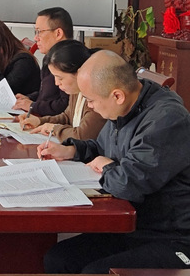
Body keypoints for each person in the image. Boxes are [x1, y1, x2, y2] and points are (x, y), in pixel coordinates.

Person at [39, 50, 190, 274]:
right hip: (136, 226)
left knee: (96, 271)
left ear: (117, 95)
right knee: (58, 258)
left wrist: (107, 167)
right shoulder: (125, 107)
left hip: (172, 237)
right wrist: (71, 150)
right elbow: (102, 148)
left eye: (91, 100)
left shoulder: (167, 119)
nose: (90, 106)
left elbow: (129, 183)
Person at [19, 40, 106, 142]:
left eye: (60, 78)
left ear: (79, 72)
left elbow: (81, 136)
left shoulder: (96, 97)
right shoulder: (75, 91)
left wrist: (54, 129)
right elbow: (67, 117)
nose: (56, 83)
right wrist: (40, 121)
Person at [13, 7, 72, 116]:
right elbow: (46, 94)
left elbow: (64, 105)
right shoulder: (49, 57)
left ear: (58, 33)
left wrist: (32, 106)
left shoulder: (70, 60)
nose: (36, 38)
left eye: (39, 32)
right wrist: (29, 98)